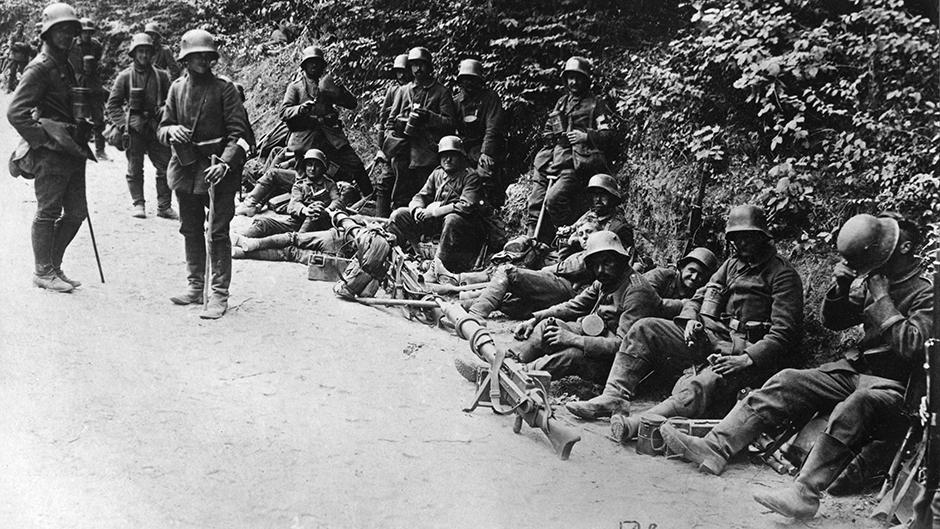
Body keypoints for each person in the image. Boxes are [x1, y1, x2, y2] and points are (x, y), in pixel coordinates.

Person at [660, 212, 930, 521]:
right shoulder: (879, 277)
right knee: (788, 380)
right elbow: (835, 321)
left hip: (899, 386)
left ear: (906, 248)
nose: (876, 254)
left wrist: (882, 297)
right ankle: (716, 446)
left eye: (884, 246)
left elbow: (914, 345)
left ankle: (804, 493)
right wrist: (841, 290)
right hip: (858, 371)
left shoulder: (926, 291)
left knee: (857, 404)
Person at [565, 205, 803, 422]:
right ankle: (614, 396)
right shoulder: (732, 265)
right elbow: (699, 297)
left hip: (746, 352)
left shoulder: (782, 275)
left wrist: (745, 359)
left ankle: (644, 420)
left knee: (706, 381)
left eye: (748, 237)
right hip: (713, 337)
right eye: (737, 238)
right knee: (645, 328)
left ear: (762, 235)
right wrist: (690, 320)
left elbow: (784, 334)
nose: (742, 244)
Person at [157, 29, 252, 319]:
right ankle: (195, 285)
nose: (202, 61)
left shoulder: (225, 89)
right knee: (190, 228)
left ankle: (219, 293)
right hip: (186, 169)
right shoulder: (176, 89)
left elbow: (241, 134)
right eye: (195, 56)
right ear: (185, 59)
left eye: (206, 56)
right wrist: (171, 129)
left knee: (218, 231)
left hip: (218, 170)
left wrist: (224, 163)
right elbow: (162, 128)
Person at [494, 230, 663, 384]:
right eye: (595, 265)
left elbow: (622, 345)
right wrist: (536, 318)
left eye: (607, 263)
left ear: (620, 259)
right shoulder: (606, 281)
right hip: (596, 338)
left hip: (621, 367)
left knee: (573, 356)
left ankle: (520, 377)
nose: (600, 270)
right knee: (549, 325)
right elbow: (574, 306)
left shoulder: (637, 292)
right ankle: (511, 359)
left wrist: (572, 339)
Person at [8, 2, 92, 293]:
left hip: (71, 148)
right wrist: (42, 139)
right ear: (47, 33)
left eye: (70, 31)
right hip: (51, 153)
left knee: (76, 212)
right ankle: (42, 271)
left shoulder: (65, 63)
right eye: (60, 31)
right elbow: (16, 112)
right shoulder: (40, 67)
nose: (66, 36)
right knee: (48, 211)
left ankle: (54, 265)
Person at [526, 56, 614, 243]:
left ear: (586, 80)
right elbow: (548, 128)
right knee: (536, 198)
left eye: (578, 77)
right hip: (554, 159)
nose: (573, 82)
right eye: (570, 77)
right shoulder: (562, 102)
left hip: (577, 164)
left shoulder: (596, 104)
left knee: (553, 199)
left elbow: (608, 136)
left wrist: (586, 136)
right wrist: (551, 135)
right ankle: (532, 238)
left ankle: (567, 237)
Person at [278, 45, 372, 203]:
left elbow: (352, 104)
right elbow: (284, 112)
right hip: (306, 137)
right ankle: (306, 202)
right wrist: (301, 109)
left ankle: (370, 197)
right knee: (308, 174)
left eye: (317, 62)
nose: (314, 65)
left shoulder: (327, 84)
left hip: (330, 136)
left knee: (354, 163)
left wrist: (340, 89)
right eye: (310, 62)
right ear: (304, 65)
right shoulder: (295, 87)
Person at [466, 218, 599, 320]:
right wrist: (567, 243)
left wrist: (541, 273)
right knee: (508, 300)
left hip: (569, 291)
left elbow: (571, 268)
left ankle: (475, 315)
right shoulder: (581, 251)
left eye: (589, 232)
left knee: (507, 271)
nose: (585, 237)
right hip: (561, 293)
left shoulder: (596, 250)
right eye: (580, 234)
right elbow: (563, 261)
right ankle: (462, 306)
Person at [386, 136, 484, 274]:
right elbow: (420, 196)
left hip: (463, 229)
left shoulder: (470, 177)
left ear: (461, 156)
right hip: (437, 224)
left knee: (452, 219)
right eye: (444, 155)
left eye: (452, 155)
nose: (447, 159)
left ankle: (436, 267)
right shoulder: (437, 174)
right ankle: (400, 256)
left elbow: (466, 206)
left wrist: (433, 213)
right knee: (399, 214)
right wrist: (417, 209)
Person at [106, 32, 176, 219]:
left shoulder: (161, 76)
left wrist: (163, 114)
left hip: (156, 126)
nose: (144, 56)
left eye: (147, 51)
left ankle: (164, 206)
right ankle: (139, 203)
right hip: (134, 128)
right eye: (140, 52)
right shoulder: (124, 77)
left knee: (165, 165)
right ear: (134, 53)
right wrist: (123, 126)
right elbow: (113, 105)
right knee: (135, 167)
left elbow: (171, 103)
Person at [384, 47, 456, 210]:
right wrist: (394, 134)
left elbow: (451, 123)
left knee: (426, 195)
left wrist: (429, 117)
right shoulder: (403, 91)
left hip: (427, 153)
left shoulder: (440, 92)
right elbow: (389, 122)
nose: (418, 69)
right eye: (414, 65)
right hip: (403, 151)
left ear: (429, 67)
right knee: (400, 194)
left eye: (422, 65)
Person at [453, 58, 506, 207]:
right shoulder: (457, 101)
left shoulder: (490, 98)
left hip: (487, 145)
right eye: (465, 79)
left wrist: (486, 152)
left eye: (472, 79)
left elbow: (493, 128)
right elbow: (450, 126)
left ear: (479, 81)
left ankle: (490, 210)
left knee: (485, 173)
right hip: (465, 147)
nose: (468, 84)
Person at [374, 53, 412, 217]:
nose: (401, 75)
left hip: (413, 147)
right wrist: (381, 147)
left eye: (404, 71)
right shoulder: (393, 90)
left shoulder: (417, 90)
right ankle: (379, 218)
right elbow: (384, 121)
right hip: (394, 145)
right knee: (384, 181)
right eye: (398, 72)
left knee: (403, 185)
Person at [68, 17, 106, 159]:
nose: (87, 35)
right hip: (77, 83)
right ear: (79, 33)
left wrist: (96, 68)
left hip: (93, 83)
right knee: (77, 117)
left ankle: (100, 150)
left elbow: (99, 61)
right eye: (84, 32)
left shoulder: (96, 45)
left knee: (99, 117)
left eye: (90, 32)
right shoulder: (71, 44)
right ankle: (78, 148)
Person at [643, 246, 719, 318]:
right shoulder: (659, 276)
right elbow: (644, 303)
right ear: (681, 267)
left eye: (700, 275)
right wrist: (682, 304)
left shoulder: (699, 293)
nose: (694, 277)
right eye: (692, 271)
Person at [6, 21, 30, 92]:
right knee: (12, 72)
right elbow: (11, 46)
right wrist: (20, 48)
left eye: (21, 27)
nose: (19, 28)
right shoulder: (13, 35)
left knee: (21, 73)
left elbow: (27, 45)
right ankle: (9, 87)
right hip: (14, 57)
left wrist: (18, 44)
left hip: (22, 57)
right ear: (16, 27)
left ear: (23, 28)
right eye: (18, 27)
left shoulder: (24, 36)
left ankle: (20, 88)